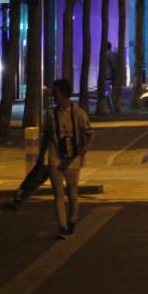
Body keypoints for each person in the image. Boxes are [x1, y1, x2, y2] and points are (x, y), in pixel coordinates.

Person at [43, 78, 93, 239]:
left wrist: (83, 149)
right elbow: (46, 136)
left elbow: (88, 133)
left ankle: (72, 219)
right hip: (55, 157)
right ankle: (62, 226)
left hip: (72, 158)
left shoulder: (78, 113)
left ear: (64, 94)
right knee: (58, 194)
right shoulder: (51, 115)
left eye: (56, 93)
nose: (54, 96)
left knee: (72, 193)